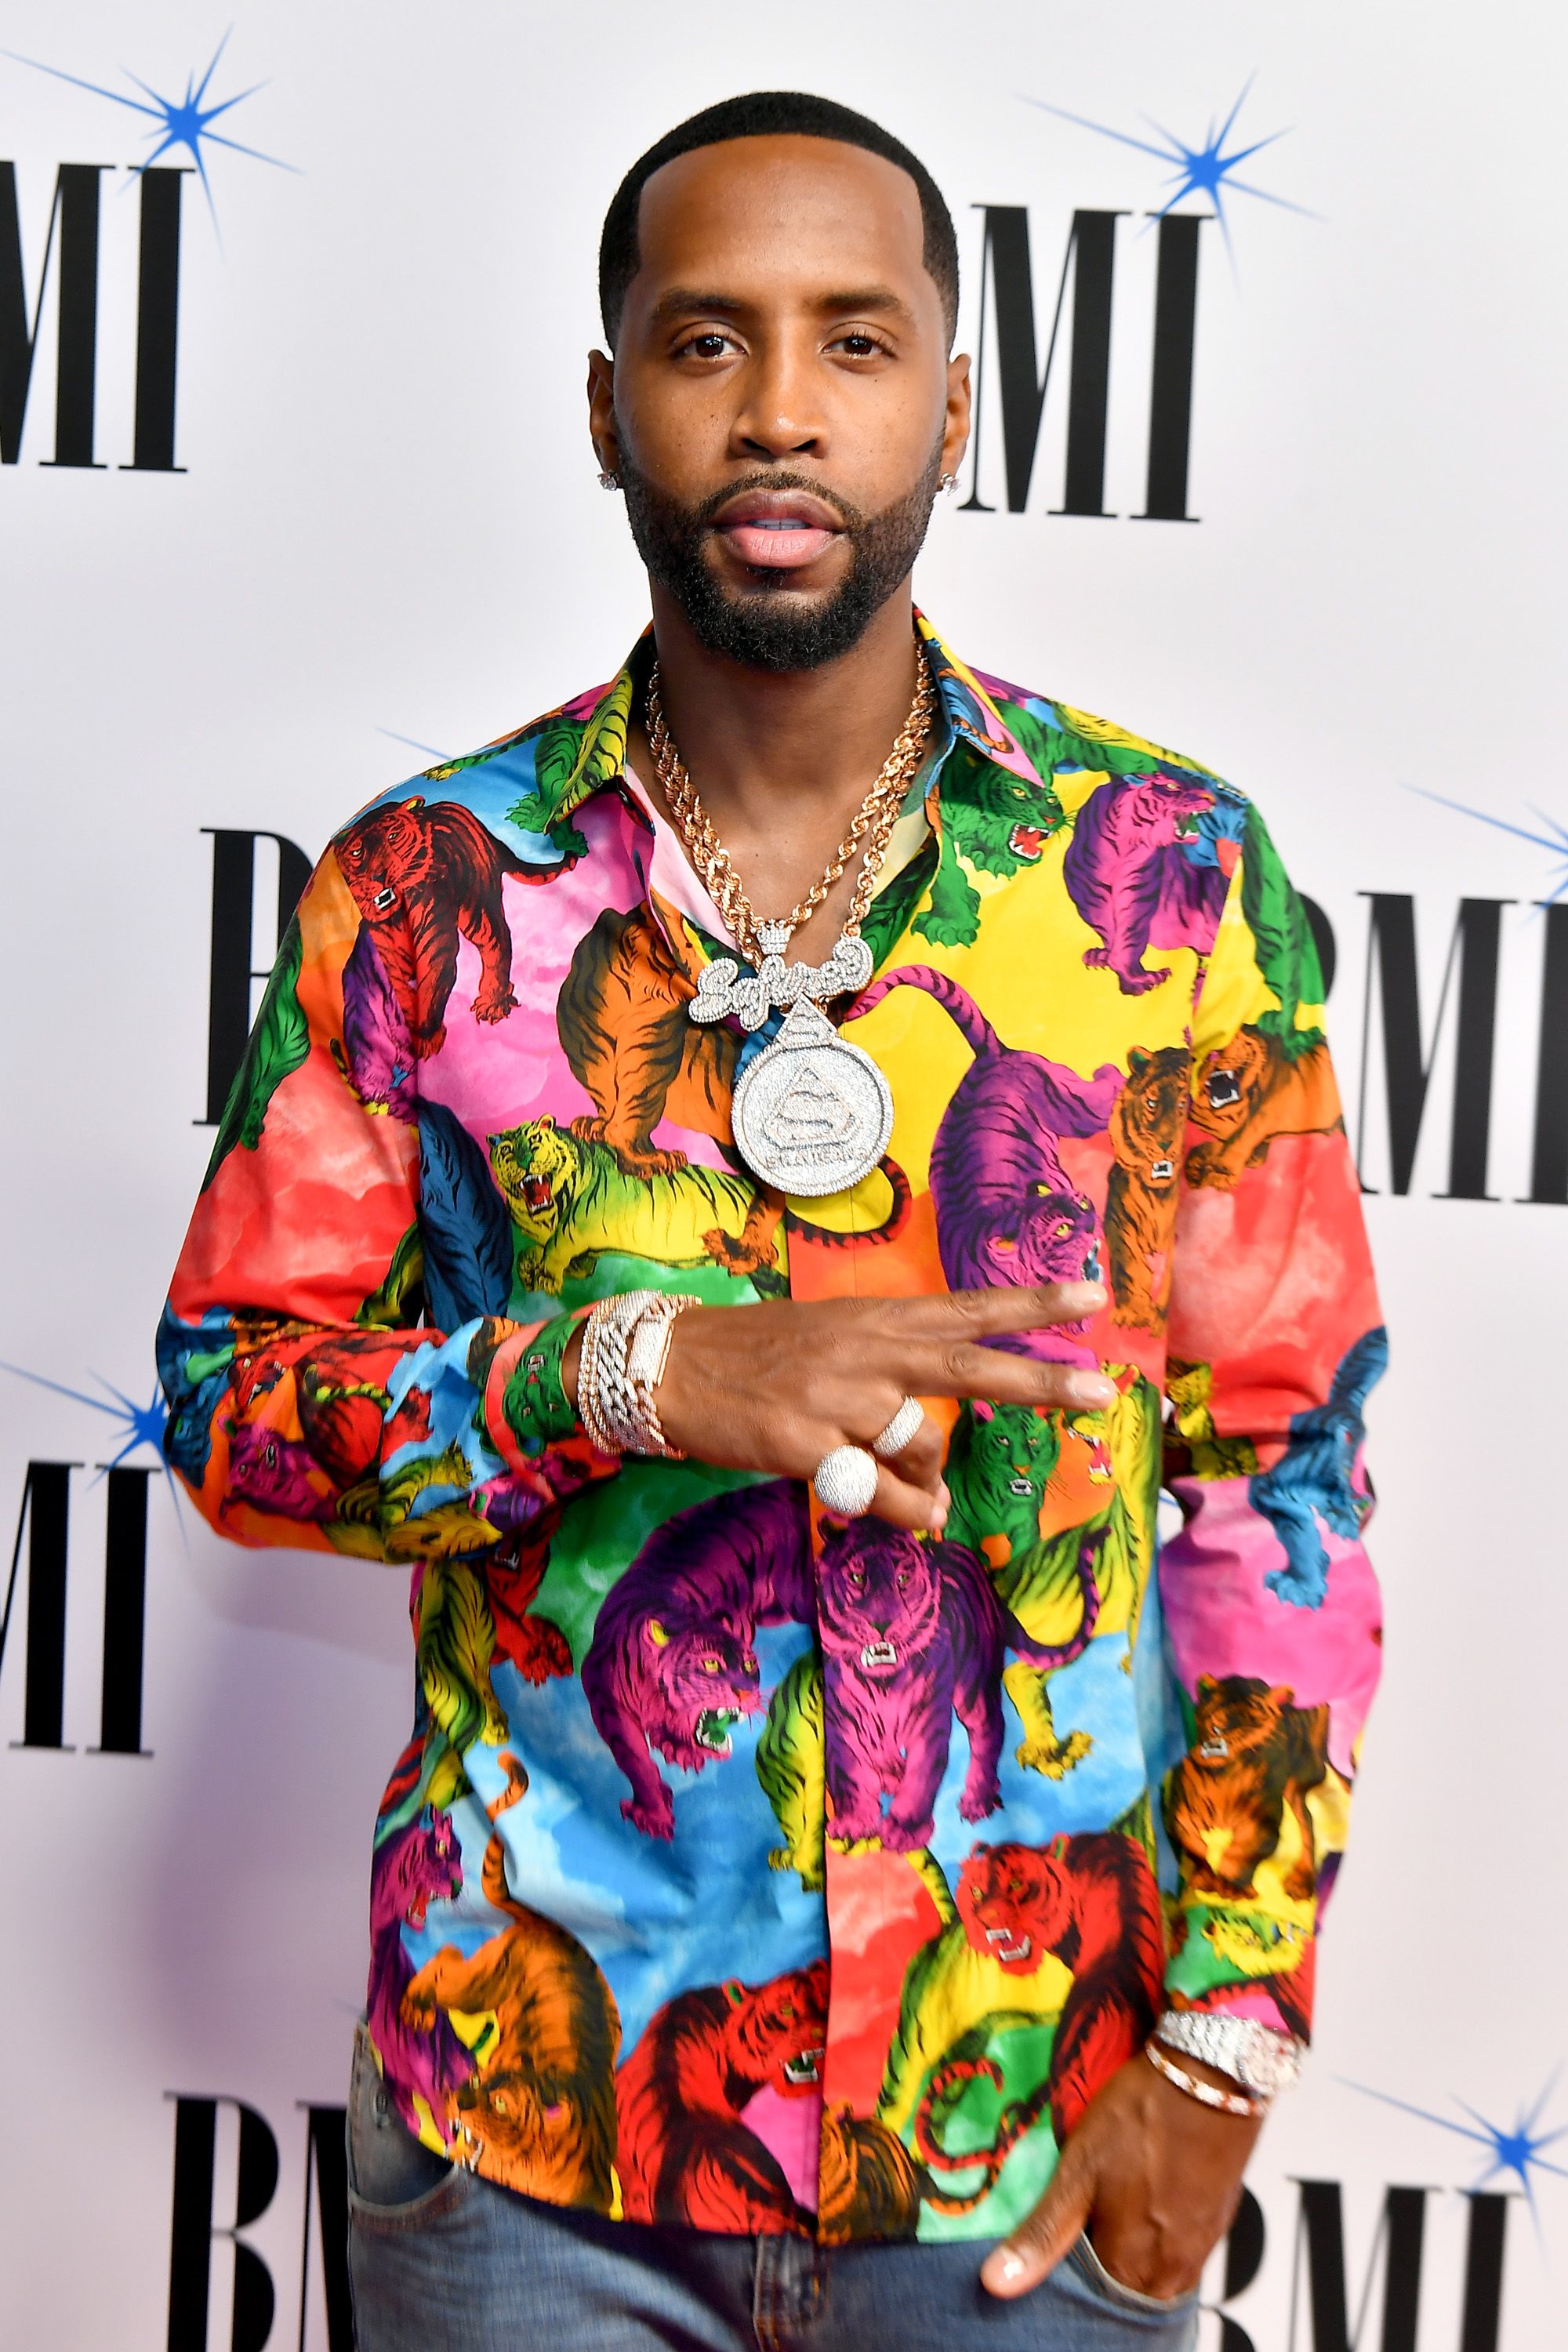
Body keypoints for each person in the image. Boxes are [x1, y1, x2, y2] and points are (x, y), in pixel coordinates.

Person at [158, 89, 1385, 2352]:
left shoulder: (1182, 880)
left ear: (956, 401)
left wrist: (1227, 2039)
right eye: (709, 345)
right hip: (533, 2149)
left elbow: (1280, 1476)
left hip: (1022, 2121)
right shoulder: (425, 891)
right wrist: (633, 1374)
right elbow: (237, 1413)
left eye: (854, 339)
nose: (784, 412)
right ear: (612, 406)